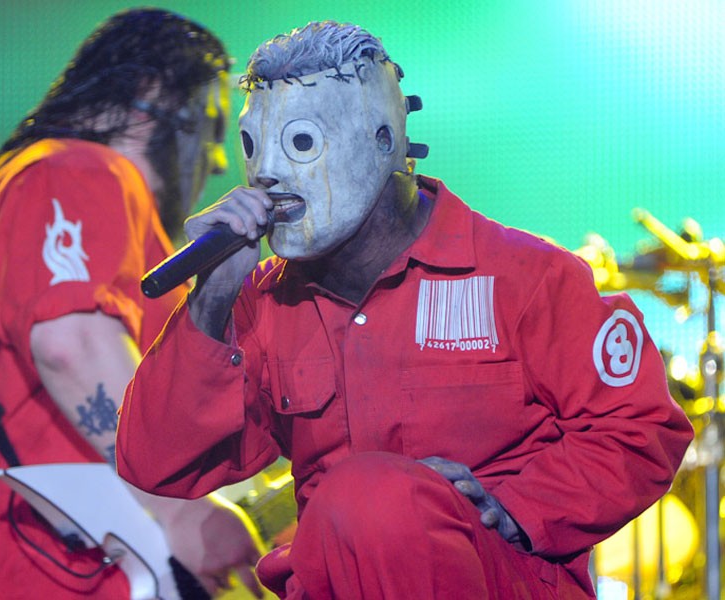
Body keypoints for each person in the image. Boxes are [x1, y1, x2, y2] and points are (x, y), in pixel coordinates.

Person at [115, 20, 695, 599]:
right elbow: (155, 461)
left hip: (499, 580)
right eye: (251, 145)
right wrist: (211, 298)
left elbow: (641, 427)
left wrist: (516, 508)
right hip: (338, 584)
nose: (265, 171)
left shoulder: (526, 277)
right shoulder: (265, 303)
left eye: (300, 143)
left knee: (370, 498)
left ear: (383, 141)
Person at [0, 9, 264, 599]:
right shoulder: (78, 168)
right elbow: (71, 343)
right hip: (36, 573)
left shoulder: (34, 185)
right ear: (149, 100)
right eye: (211, 128)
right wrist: (179, 511)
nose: (216, 160)